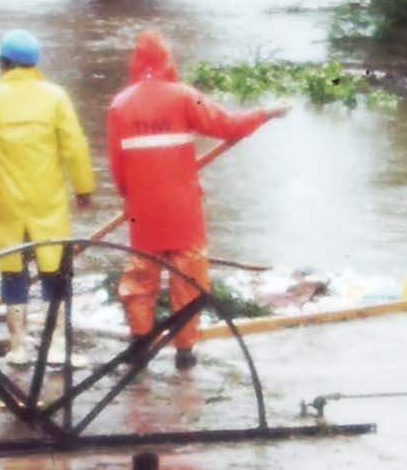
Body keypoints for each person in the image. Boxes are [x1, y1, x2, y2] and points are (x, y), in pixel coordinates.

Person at [106, 30, 288, 368]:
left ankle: (140, 346)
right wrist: (266, 112)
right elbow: (229, 125)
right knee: (188, 277)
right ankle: (185, 351)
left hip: (142, 209)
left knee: (141, 277)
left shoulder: (120, 105)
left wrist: (128, 198)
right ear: (167, 61)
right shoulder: (184, 97)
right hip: (182, 208)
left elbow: (117, 166)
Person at [0, 29, 95, 366]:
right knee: (54, 270)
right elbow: (74, 146)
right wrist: (83, 187)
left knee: (13, 271)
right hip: (47, 202)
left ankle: (18, 346)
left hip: (6, 203)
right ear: (35, 63)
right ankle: (57, 345)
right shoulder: (55, 97)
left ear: (3, 63)